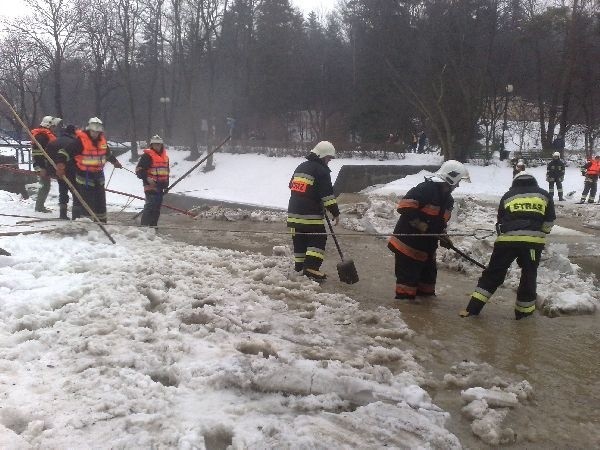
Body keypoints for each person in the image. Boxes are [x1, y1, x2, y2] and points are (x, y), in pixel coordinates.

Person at [460, 171, 556, 320]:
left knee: (493, 274)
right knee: (528, 276)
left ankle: (471, 310)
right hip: (532, 243)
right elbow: (549, 221)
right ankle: (523, 315)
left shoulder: (508, 195)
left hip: (506, 241)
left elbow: (500, 220)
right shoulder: (544, 194)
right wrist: (540, 232)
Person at [387, 160, 469, 300]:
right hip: (408, 247)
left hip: (426, 250)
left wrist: (443, 236)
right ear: (451, 178)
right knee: (406, 291)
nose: (458, 184)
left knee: (427, 289)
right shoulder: (426, 189)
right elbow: (404, 206)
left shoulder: (448, 200)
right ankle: (405, 315)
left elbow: (440, 223)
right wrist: (419, 223)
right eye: (458, 181)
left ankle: (423, 314)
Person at [287, 141, 340, 282]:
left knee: (300, 240)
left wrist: (311, 192)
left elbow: (291, 185)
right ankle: (311, 268)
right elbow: (328, 196)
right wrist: (335, 212)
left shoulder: (300, 167)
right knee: (318, 238)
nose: (329, 161)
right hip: (310, 215)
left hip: (293, 214)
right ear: (322, 156)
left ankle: (299, 267)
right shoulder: (321, 171)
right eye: (328, 158)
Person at [61, 117, 122, 222]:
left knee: (100, 202)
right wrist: (60, 164)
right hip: (84, 176)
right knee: (87, 202)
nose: (95, 134)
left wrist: (115, 162)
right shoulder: (80, 141)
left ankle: (101, 222)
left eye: (97, 132)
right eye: (93, 131)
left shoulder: (102, 141)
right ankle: (86, 223)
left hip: (98, 176)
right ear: (89, 130)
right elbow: (64, 152)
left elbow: (107, 153)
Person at [136, 135, 169, 227]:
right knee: (150, 207)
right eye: (155, 145)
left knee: (157, 209)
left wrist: (166, 185)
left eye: (159, 145)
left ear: (161, 145)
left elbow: (166, 172)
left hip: (160, 187)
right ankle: (144, 227)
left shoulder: (165, 158)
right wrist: (147, 178)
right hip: (150, 186)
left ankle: (153, 227)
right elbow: (139, 171)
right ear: (152, 145)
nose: (157, 146)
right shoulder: (147, 156)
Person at [46, 124, 77, 219]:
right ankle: (76, 215)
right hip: (72, 171)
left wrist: (52, 170)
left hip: (58, 171)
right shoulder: (74, 143)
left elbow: (47, 157)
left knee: (63, 191)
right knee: (76, 192)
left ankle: (62, 214)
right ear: (73, 132)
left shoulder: (53, 142)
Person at [31, 115, 58, 212]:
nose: (54, 128)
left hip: (44, 164)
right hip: (42, 165)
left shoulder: (44, 135)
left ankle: (39, 206)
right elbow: (37, 153)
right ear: (48, 125)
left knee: (45, 185)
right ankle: (39, 207)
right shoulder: (41, 136)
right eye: (53, 126)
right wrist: (40, 167)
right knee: (45, 185)